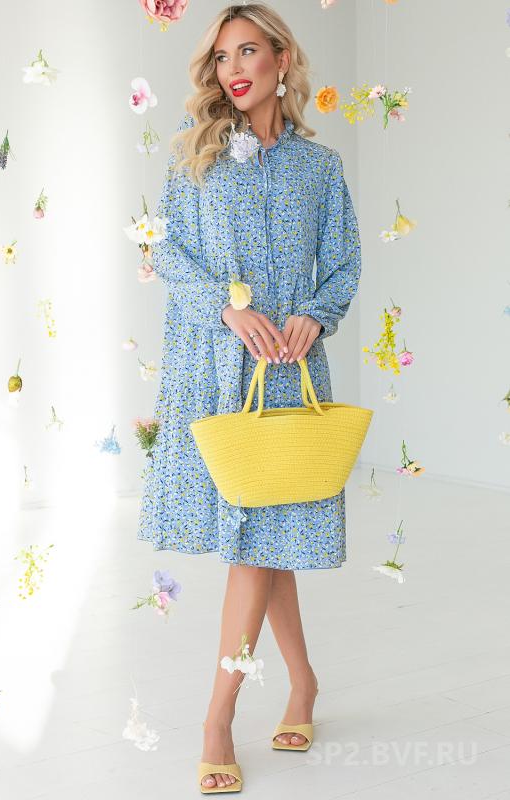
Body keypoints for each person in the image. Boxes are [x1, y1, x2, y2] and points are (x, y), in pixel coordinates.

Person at [137, 2, 362, 792]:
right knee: (262, 546)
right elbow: (168, 252)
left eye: (248, 51)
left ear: (281, 60)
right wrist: (226, 310)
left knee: (261, 544)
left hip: (288, 372)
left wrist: (313, 314)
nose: (233, 68)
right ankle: (301, 685)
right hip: (215, 367)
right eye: (221, 56)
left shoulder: (319, 167)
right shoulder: (192, 153)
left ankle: (218, 718)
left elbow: (343, 261)